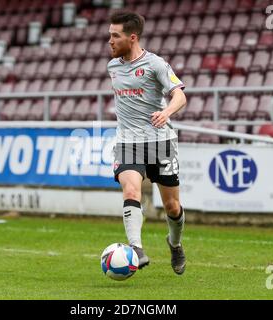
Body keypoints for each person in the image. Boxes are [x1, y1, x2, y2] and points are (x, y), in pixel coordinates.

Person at [107, 10, 187, 275]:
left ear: (132, 38)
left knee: (172, 207)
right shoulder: (113, 66)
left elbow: (179, 96)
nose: (110, 41)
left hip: (160, 141)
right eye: (109, 35)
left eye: (115, 36)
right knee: (131, 191)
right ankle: (136, 249)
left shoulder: (155, 64)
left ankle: (174, 244)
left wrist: (166, 112)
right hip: (128, 141)